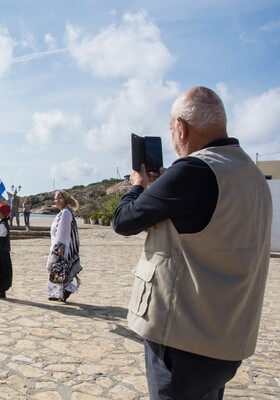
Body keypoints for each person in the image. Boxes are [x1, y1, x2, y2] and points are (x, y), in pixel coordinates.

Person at [112, 86, 272, 399]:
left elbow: (124, 220)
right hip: (227, 337)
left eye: (172, 130)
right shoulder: (252, 175)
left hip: (183, 338)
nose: (173, 139)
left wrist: (137, 187)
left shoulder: (194, 170)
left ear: (182, 128)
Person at [45, 190, 81, 302]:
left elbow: (63, 232)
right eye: (55, 198)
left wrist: (60, 248)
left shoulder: (65, 213)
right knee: (57, 270)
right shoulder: (63, 212)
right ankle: (58, 293)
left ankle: (66, 291)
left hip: (61, 247)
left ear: (65, 199)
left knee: (58, 269)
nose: (56, 200)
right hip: (58, 246)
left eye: (59, 198)